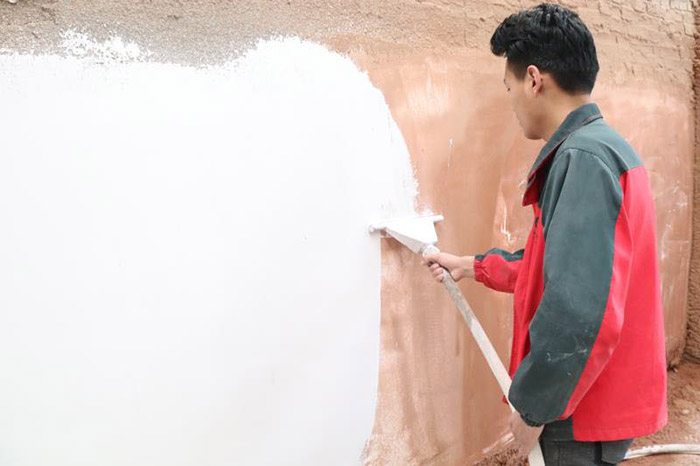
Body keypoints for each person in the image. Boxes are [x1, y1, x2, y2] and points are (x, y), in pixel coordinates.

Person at [422, 4, 668, 465]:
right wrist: (472, 267)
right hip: (595, 401)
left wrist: (535, 407)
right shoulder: (602, 148)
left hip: (580, 412)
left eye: (509, 87)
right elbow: (556, 265)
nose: (512, 103)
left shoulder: (583, 159)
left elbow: (578, 308)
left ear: (534, 79)